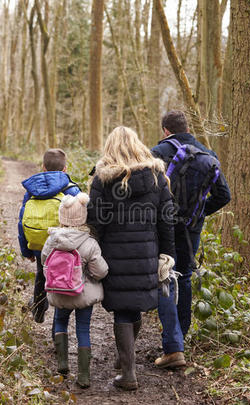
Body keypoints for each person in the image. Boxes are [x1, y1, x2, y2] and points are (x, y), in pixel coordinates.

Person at [87, 126, 175, 390]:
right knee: (133, 306)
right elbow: (166, 220)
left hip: (114, 253)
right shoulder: (158, 177)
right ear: (138, 145)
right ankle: (126, 358)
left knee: (123, 309)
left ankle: (128, 371)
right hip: (146, 252)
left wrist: (94, 250)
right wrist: (167, 253)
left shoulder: (102, 179)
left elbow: (94, 220)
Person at [151, 110, 231, 368]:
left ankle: (172, 344)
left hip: (163, 227)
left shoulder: (158, 152)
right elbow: (223, 195)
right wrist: (199, 213)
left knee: (164, 277)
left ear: (166, 130)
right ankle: (181, 337)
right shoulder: (207, 154)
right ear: (187, 127)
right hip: (191, 229)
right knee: (184, 276)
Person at [41, 192, 109, 388]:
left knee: (60, 323)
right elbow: (101, 271)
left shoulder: (52, 240)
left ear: (61, 216)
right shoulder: (89, 243)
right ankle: (84, 375)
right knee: (83, 329)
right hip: (82, 294)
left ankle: (62, 363)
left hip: (59, 292)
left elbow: (45, 261)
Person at [18, 148, 80, 323]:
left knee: (41, 273)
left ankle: (38, 309)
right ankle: (60, 321)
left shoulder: (32, 189)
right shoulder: (72, 190)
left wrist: (26, 250)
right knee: (63, 275)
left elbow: (22, 220)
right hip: (64, 245)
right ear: (65, 169)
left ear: (43, 167)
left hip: (39, 244)